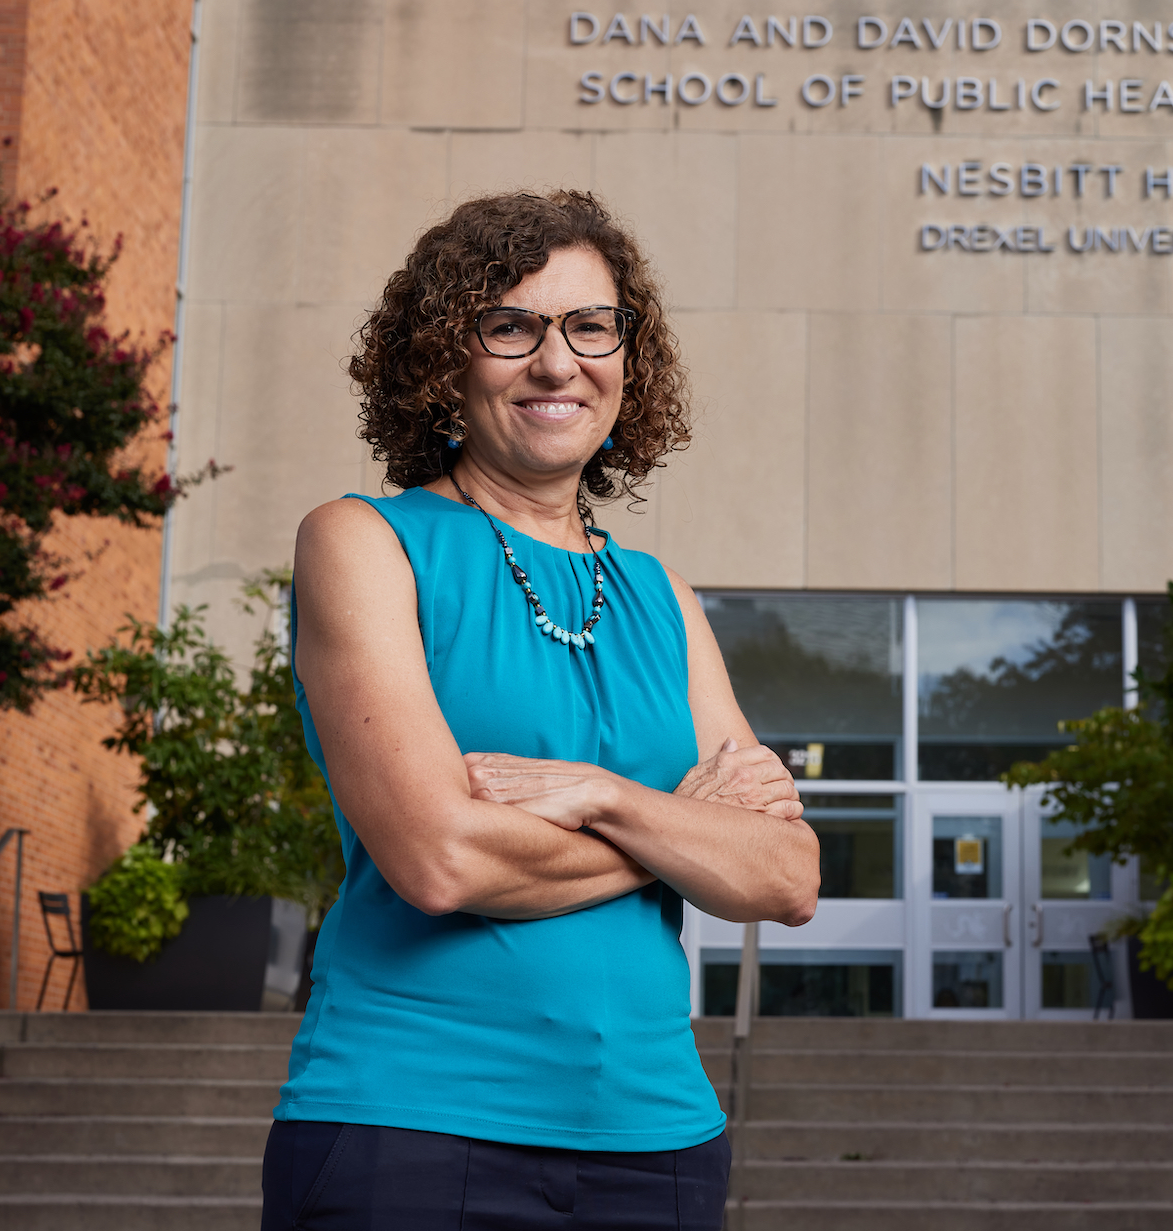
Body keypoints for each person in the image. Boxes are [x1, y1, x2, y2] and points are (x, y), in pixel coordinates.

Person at [261, 190, 820, 1230]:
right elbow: (441, 861)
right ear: (441, 359)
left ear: (626, 355)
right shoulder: (364, 543)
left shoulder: (661, 595)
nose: (557, 363)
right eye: (509, 325)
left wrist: (598, 795)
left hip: (661, 1144)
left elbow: (787, 873)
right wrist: (679, 822)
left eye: (589, 325)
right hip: (409, 1129)